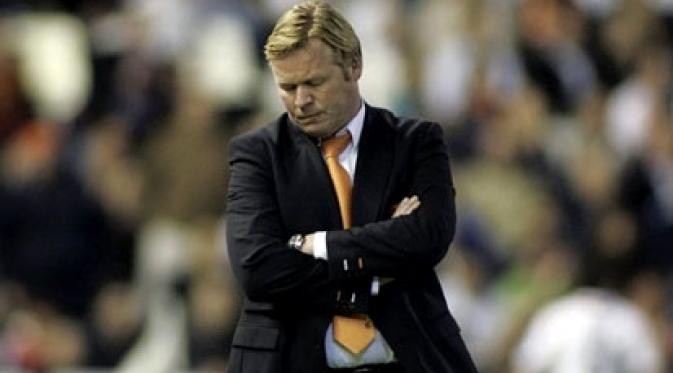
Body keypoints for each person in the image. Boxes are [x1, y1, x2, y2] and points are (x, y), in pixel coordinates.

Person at [225, 1, 478, 372]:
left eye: (313, 82)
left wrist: (320, 245)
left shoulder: (414, 142)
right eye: (287, 86)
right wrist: (377, 263)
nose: (300, 101)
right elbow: (259, 269)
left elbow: (429, 236)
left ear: (354, 65)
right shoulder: (256, 154)